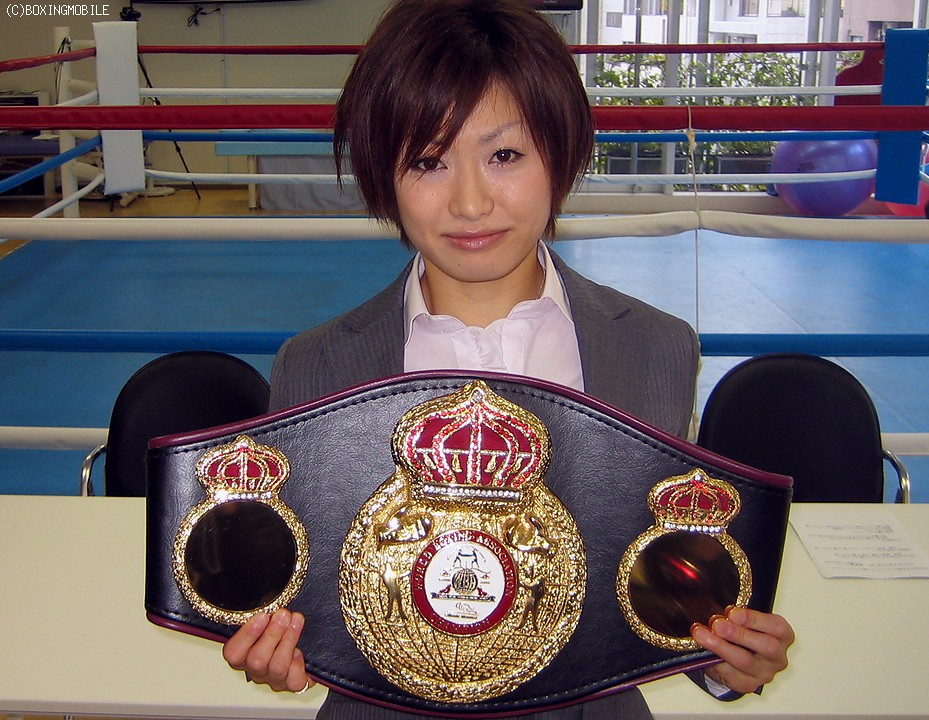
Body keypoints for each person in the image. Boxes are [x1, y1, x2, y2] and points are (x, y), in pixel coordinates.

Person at [223, 0, 795, 718]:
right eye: (427, 161)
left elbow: (659, 583)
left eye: (504, 155)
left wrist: (726, 661)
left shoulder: (653, 348)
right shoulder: (314, 368)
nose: (470, 203)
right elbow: (308, 603)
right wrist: (279, 649)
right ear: (382, 177)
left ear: (561, 153)